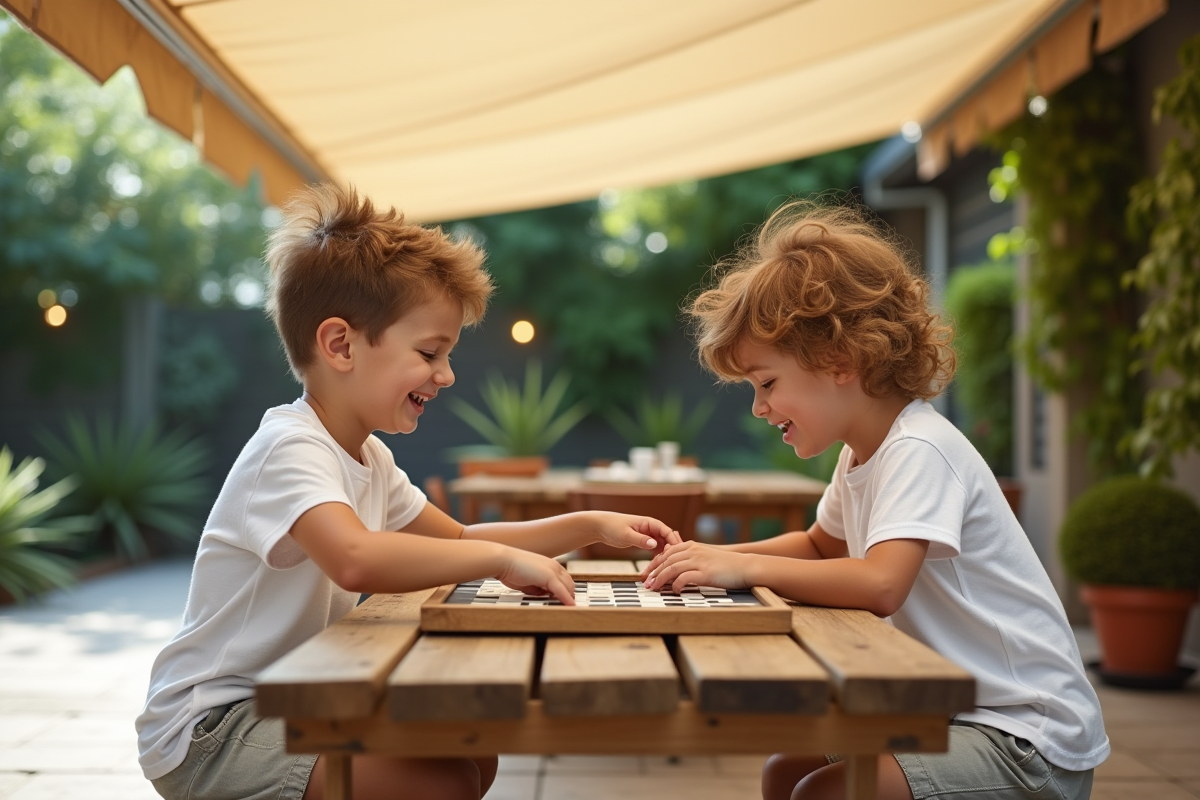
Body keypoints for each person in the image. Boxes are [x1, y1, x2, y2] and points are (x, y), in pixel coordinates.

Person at [136, 184, 678, 800]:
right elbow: (356, 556)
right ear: (340, 344)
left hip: (300, 692)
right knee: (439, 782)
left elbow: (463, 537)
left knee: (474, 756)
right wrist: (502, 561)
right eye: (429, 353)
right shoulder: (289, 447)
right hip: (216, 726)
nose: (445, 374)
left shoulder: (368, 455)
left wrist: (587, 524)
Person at [642, 201, 1107, 800]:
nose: (758, 408)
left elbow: (882, 584)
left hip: (1024, 737)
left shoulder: (920, 447)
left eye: (767, 383)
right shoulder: (863, 451)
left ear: (840, 360)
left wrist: (745, 567)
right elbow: (817, 545)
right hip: (952, 710)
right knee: (784, 771)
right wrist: (712, 556)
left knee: (823, 793)